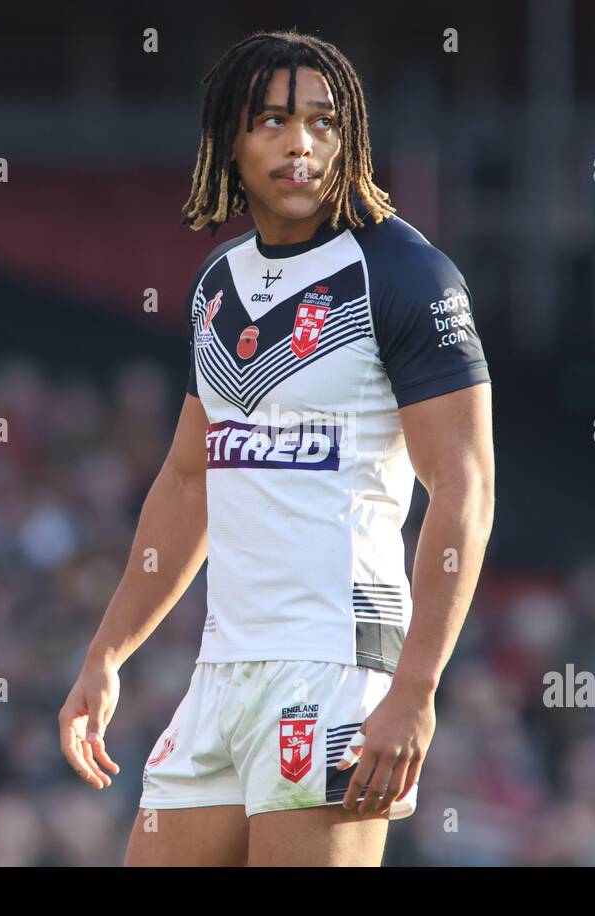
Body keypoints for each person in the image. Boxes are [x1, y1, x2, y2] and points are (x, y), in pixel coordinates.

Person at [59, 29, 494, 866]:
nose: (300, 143)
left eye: (323, 121)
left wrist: (415, 690)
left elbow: (465, 489)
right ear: (231, 138)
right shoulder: (216, 284)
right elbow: (190, 484)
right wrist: (107, 655)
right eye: (271, 121)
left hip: (338, 670)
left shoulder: (406, 273)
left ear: (350, 135)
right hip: (220, 673)